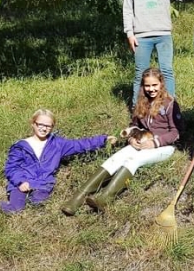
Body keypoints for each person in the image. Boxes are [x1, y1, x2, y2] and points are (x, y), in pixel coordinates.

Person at [61, 68, 184, 215]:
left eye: (154, 85)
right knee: (116, 157)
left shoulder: (169, 104)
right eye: (147, 86)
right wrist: (132, 138)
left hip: (164, 147)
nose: (151, 89)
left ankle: (105, 198)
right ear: (143, 86)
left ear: (161, 84)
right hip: (141, 142)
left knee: (134, 159)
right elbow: (135, 125)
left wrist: (154, 143)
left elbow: (177, 132)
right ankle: (78, 198)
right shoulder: (141, 102)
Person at [0, 109, 115, 214]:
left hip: (43, 184)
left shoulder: (58, 144)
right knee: (16, 209)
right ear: (33, 124)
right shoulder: (21, 146)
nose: (43, 128)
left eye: (48, 126)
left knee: (38, 206)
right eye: (40, 124)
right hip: (21, 182)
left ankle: (33, 200)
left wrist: (103, 140)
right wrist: (20, 182)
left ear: (52, 127)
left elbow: (79, 144)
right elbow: (11, 168)